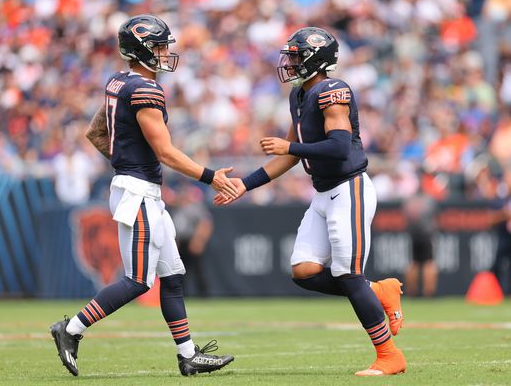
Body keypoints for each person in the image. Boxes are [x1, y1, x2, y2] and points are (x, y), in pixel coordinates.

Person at [49, 14, 236, 377]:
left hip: (141, 189)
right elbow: (165, 152)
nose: (166, 53)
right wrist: (210, 176)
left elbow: (95, 132)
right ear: (142, 50)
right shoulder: (146, 89)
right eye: (161, 47)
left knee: (174, 274)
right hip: (138, 193)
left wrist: (126, 161)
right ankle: (70, 330)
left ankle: (188, 355)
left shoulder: (118, 82)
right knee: (138, 280)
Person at [215, 27, 406, 376]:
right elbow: (289, 156)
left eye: (296, 56)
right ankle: (379, 291)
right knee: (303, 271)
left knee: (348, 275)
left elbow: (338, 147)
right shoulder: (299, 95)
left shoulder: (333, 91)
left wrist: (290, 147)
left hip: (350, 189)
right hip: (324, 193)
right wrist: (246, 184)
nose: (290, 62)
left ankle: (389, 356)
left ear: (316, 58)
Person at [170, 183, 213, 297]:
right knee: (180, 270)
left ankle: (203, 294)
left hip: (192, 240)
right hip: (181, 242)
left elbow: (205, 223)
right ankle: (182, 294)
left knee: (197, 269)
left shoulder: (195, 208)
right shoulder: (177, 209)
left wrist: (198, 240)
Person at [489, 168, 511, 296]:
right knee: (498, 263)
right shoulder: (500, 196)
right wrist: (506, 214)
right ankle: (495, 289)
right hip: (503, 235)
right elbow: (491, 218)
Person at [403, 193, 438, 297]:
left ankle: (411, 292)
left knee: (414, 263)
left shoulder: (409, 200)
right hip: (426, 234)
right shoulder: (429, 200)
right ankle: (429, 292)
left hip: (414, 234)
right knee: (429, 263)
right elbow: (435, 217)